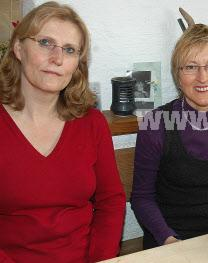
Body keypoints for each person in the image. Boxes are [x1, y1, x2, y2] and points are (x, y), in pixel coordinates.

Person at [0, 2, 125, 262]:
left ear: (76, 63)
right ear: (19, 48)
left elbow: (111, 201)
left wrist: (100, 260)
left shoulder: (92, 123)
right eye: (45, 42)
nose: (57, 58)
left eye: (69, 50)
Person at [131, 24, 208, 249]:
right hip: (168, 241)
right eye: (190, 67)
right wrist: (169, 240)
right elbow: (142, 198)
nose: (203, 77)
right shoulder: (155, 123)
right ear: (177, 74)